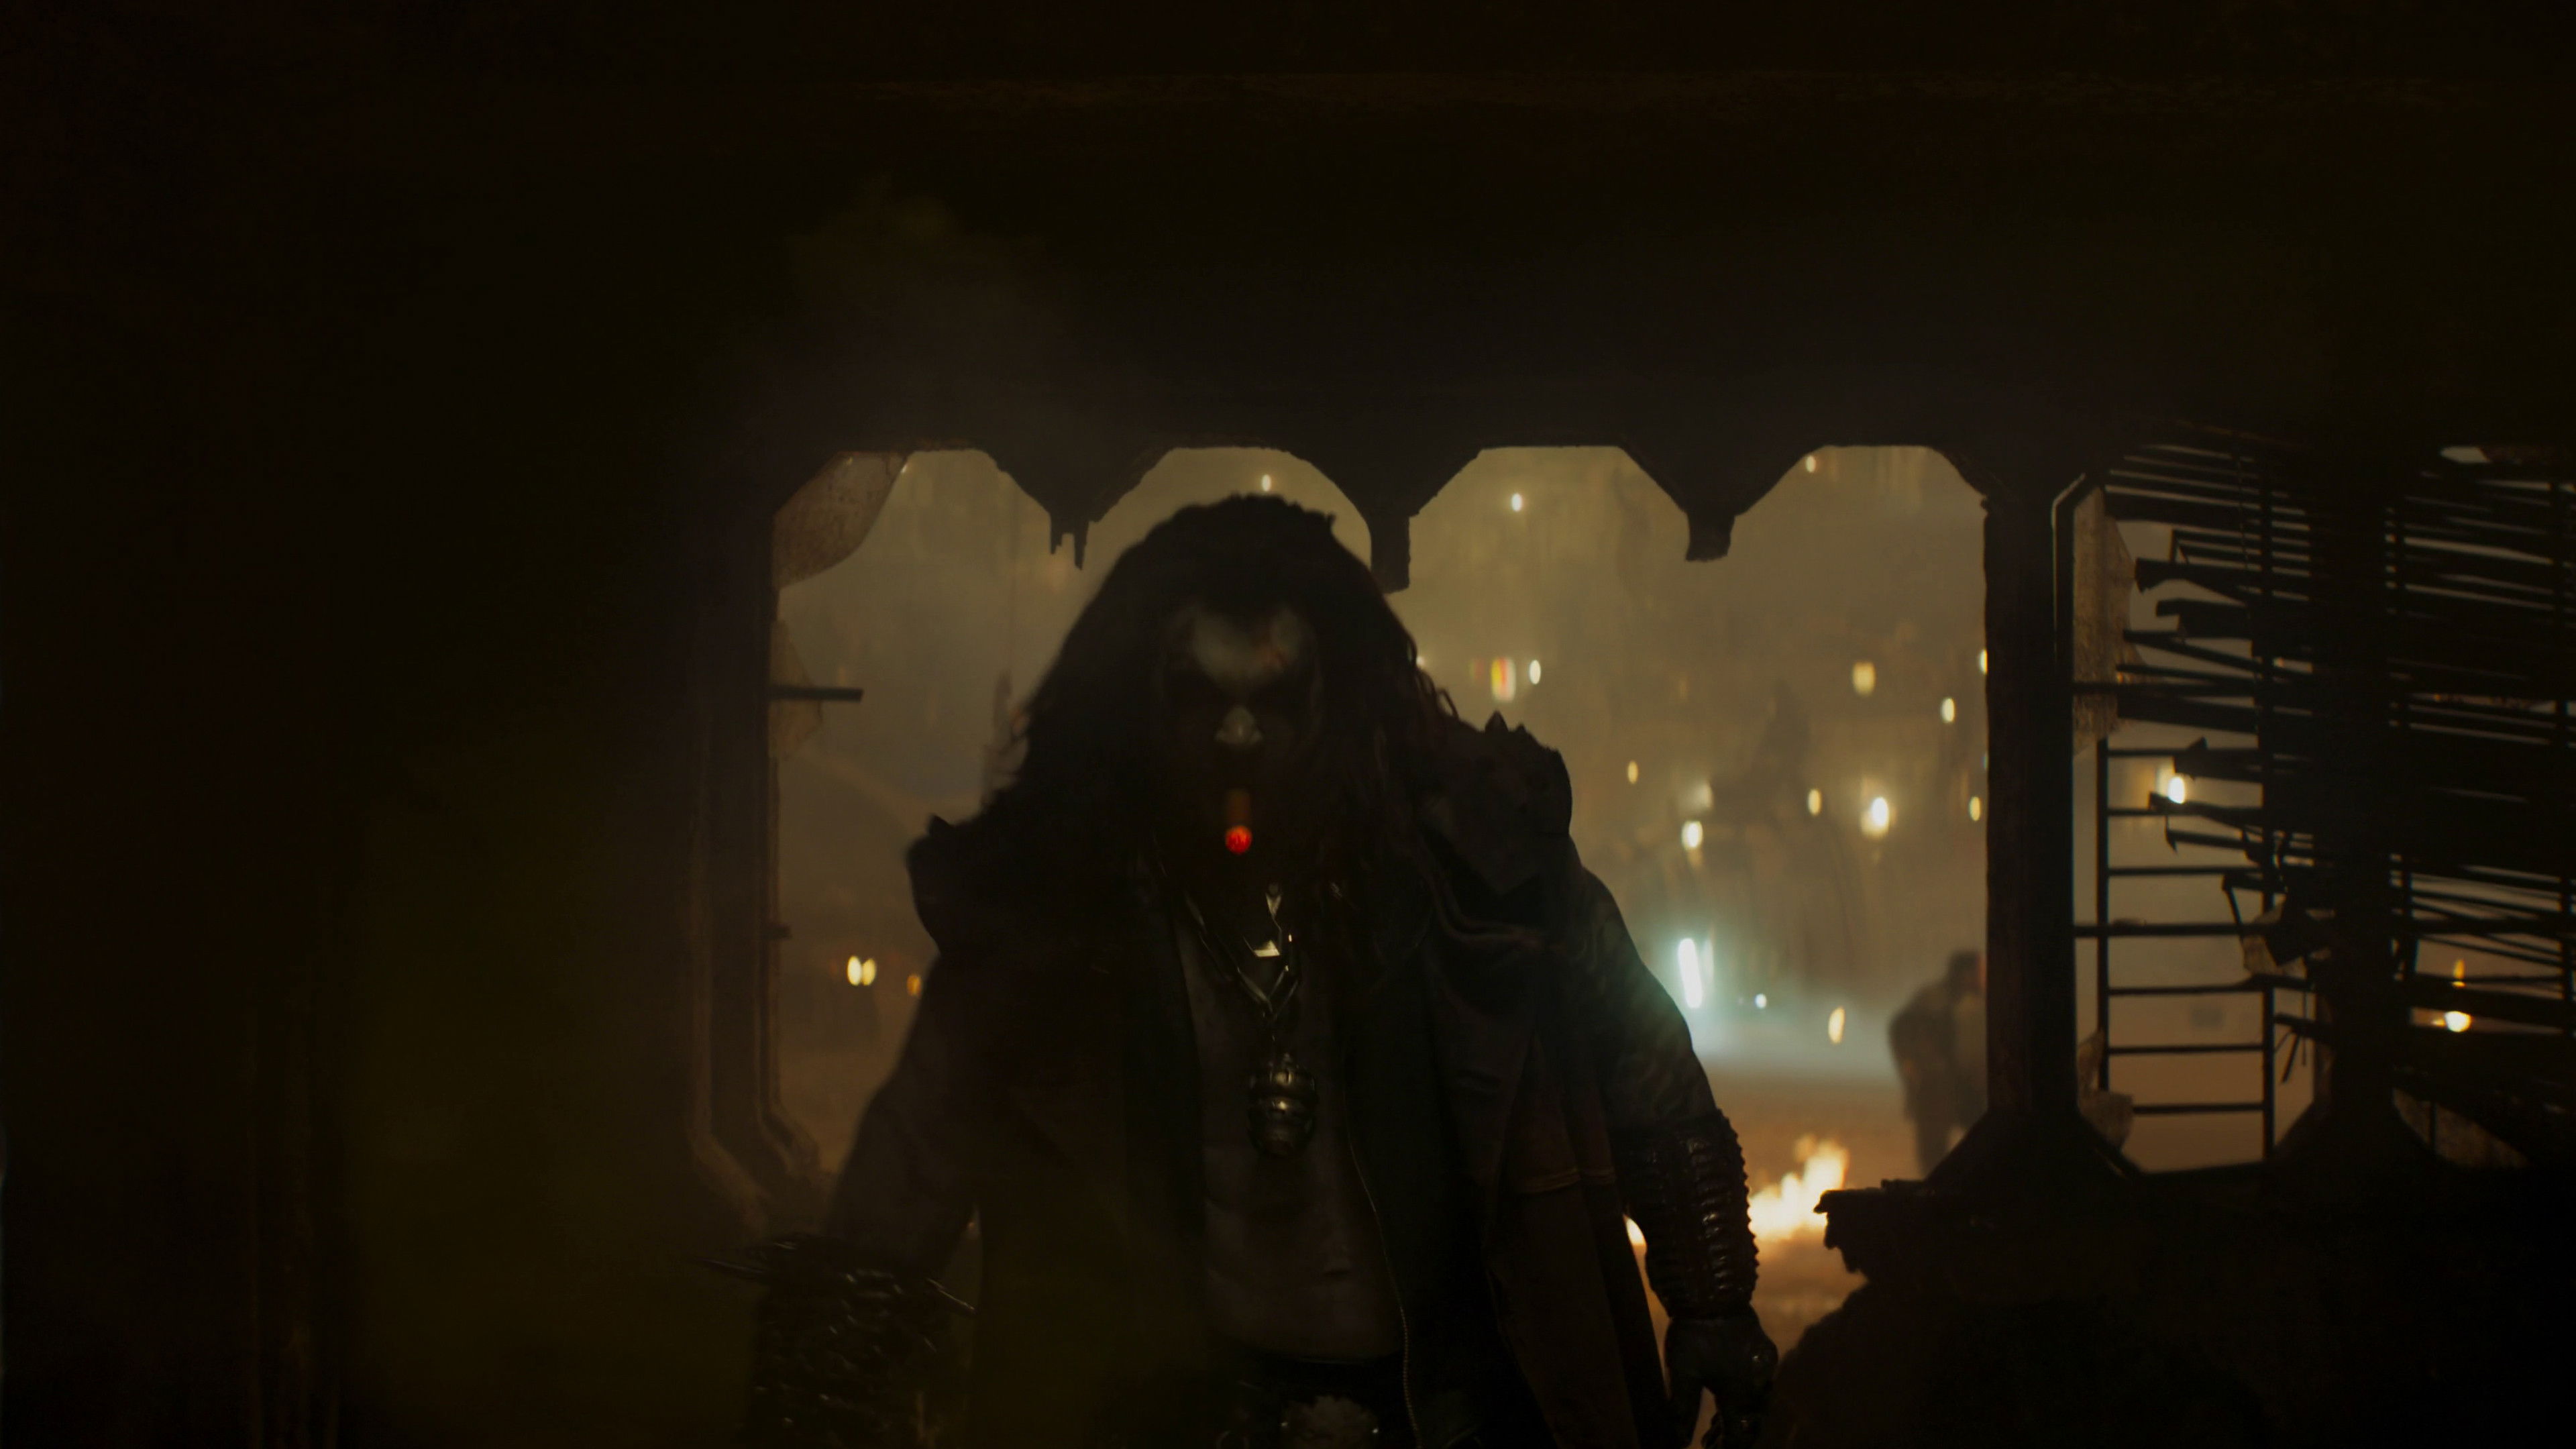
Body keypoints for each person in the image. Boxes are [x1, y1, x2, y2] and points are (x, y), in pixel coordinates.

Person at [735, 498, 1776, 1449]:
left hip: (1447, 1414)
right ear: (1140, 703)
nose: (1238, 734)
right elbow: (913, 1159)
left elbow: (1646, 1066)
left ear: (1341, 697)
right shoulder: (1059, 911)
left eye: (1276, 698)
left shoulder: (1479, 869)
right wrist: (814, 1396)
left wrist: (1716, 1301)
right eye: (1201, 697)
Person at [1888, 949, 1986, 1174]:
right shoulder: (1934, 1001)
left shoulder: (1973, 1002)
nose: (1981, 977)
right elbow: (1901, 1030)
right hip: (1936, 1084)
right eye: (1978, 972)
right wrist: (1914, 1066)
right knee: (1933, 1152)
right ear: (1965, 974)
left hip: (1966, 1084)